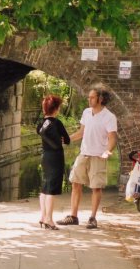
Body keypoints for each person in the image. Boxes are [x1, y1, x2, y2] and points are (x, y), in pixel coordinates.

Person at [57, 85, 117, 229]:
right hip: (83, 154)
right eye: (89, 97)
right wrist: (67, 139)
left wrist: (107, 152)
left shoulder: (109, 117)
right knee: (75, 183)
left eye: (92, 97)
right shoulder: (86, 112)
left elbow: (112, 139)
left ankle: (92, 218)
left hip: (98, 156)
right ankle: (73, 216)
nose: (89, 99)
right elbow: (81, 132)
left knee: (96, 187)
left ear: (100, 99)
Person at [36, 95, 70, 230]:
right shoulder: (57, 123)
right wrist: (61, 139)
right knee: (51, 189)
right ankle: (49, 220)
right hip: (56, 158)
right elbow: (67, 140)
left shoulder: (40, 124)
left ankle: (43, 216)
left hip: (45, 157)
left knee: (44, 187)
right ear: (56, 109)